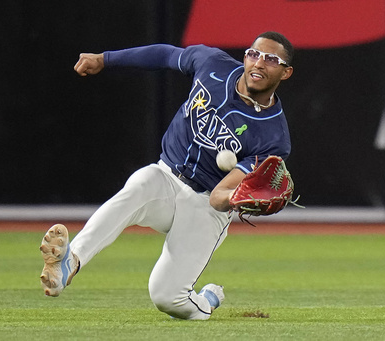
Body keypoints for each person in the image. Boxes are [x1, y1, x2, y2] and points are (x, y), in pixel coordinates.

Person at [39, 31, 294, 320]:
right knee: (140, 184)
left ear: (286, 73)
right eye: (254, 54)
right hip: (166, 177)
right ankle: (70, 261)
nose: (259, 63)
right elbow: (165, 55)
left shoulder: (273, 137)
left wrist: (237, 197)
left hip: (204, 205)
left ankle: (207, 300)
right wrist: (104, 59)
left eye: (271, 59)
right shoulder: (213, 65)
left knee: (166, 297)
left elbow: (219, 197)